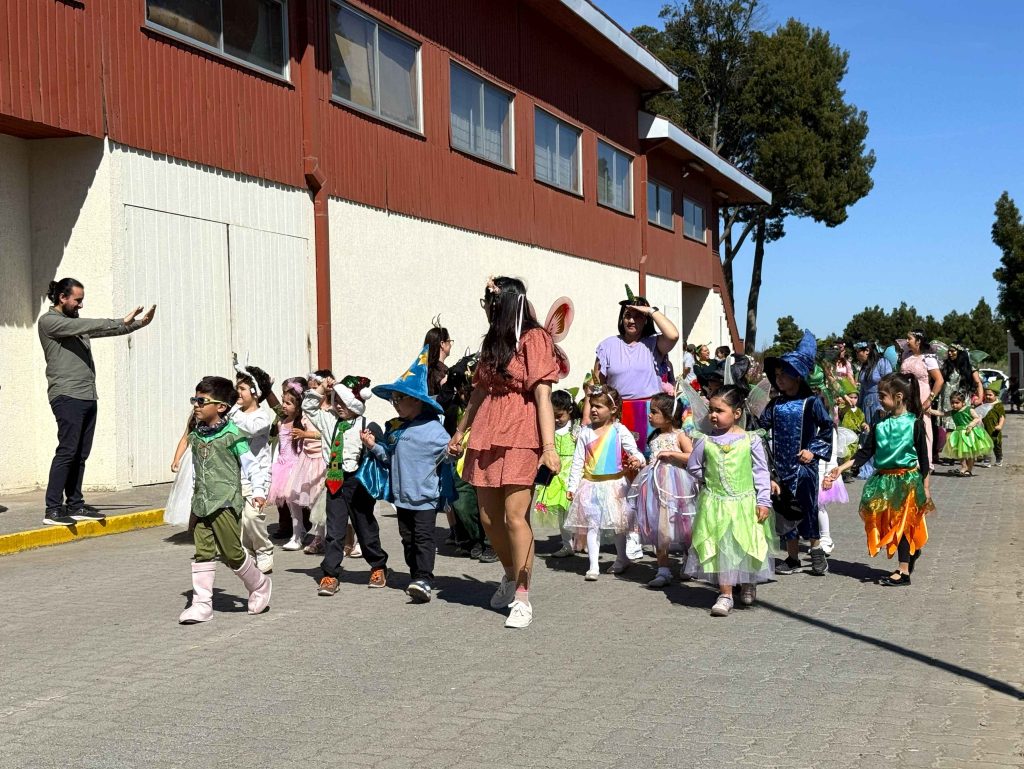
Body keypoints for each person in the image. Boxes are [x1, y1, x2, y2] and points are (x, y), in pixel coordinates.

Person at [450, 277, 561, 629]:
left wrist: (549, 448)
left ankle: (523, 596)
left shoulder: (535, 337)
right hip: (487, 431)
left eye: (490, 302)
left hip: (521, 431)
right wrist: (460, 431)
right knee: (488, 518)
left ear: (505, 304)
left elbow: (543, 396)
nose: (486, 308)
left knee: (515, 517)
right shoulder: (492, 341)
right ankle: (511, 574)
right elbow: (479, 392)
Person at [37, 277, 156, 525]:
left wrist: (138, 324)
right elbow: (93, 324)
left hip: (87, 395)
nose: (81, 305)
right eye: (77, 300)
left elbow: (104, 330)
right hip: (67, 395)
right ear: (62, 297)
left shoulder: (74, 324)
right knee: (67, 451)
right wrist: (120, 319)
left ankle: (75, 504)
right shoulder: (50, 322)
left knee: (80, 453)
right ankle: (53, 509)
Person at [178, 376, 271, 624]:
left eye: (202, 401)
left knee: (232, 554)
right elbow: (197, 468)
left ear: (221, 407)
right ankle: (202, 604)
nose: (196, 405)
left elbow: (251, 465)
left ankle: (259, 584)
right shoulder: (197, 435)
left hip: (225, 502)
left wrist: (259, 491)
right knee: (203, 552)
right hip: (202, 503)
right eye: (194, 400)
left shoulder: (233, 435)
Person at [826, 373, 933, 586]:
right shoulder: (880, 425)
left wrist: (926, 487)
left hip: (907, 480)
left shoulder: (914, 424)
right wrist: (841, 468)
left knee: (902, 524)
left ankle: (903, 571)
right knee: (890, 524)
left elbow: (923, 458)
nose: (879, 400)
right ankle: (911, 553)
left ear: (899, 397)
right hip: (884, 481)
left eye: (883, 396)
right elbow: (865, 452)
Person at [366, 348, 454, 604]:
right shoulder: (397, 429)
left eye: (399, 398)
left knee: (424, 539)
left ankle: (424, 578)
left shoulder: (434, 429)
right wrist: (374, 446)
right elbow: (389, 457)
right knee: (408, 540)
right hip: (402, 498)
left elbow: (448, 455)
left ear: (416, 401)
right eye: (393, 399)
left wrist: (454, 452)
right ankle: (416, 576)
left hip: (425, 498)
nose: (395, 403)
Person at [685, 385, 774, 616]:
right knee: (722, 548)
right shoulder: (705, 440)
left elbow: (761, 471)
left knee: (746, 545)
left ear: (736, 413)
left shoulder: (750, 440)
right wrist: (708, 478)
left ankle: (748, 582)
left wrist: (763, 501)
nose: (713, 415)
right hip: (716, 504)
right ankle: (725, 594)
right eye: (711, 410)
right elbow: (693, 466)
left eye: (720, 410)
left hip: (745, 503)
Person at [303, 375, 390, 595]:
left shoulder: (367, 425)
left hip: (357, 482)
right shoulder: (329, 420)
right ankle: (330, 574)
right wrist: (322, 388)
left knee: (365, 527)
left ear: (356, 403)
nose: (339, 406)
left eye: (344, 402)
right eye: (336, 401)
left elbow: (384, 454)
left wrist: (370, 444)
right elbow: (309, 407)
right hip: (334, 480)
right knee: (334, 531)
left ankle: (378, 566)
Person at [760, 330, 834, 577]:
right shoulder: (775, 404)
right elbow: (761, 428)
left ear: (798, 376)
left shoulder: (811, 402)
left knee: (807, 509)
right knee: (785, 512)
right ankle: (792, 558)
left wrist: (813, 450)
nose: (779, 379)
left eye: (784, 374)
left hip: (804, 469)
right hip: (780, 469)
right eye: (777, 375)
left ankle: (816, 551)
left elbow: (827, 428)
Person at [563, 385, 645, 580]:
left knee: (618, 525)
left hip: (615, 486)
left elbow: (636, 453)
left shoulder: (619, 430)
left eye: (599, 406)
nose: (593, 409)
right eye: (592, 405)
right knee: (593, 525)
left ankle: (622, 558)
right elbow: (577, 462)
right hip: (590, 485)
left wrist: (637, 460)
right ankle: (593, 566)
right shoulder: (585, 432)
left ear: (613, 409)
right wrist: (572, 486)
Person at [626, 392, 696, 588]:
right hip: (653, 486)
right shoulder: (654, 436)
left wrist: (672, 453)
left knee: (683, 524)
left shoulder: (679, 435)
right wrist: (639, 462)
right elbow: (651, 459)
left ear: (669, 415)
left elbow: (692, 456)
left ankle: (689, 560)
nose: (649, 415)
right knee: (658, 526)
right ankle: (663, 569)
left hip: (676, 486)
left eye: (654, 412)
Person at [231, 362, 275, 571]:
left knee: (253, 515)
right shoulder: (234, 413)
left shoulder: (261, 417)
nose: (237, 392)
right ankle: (247, 550)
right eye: (236, 388)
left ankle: (264, 550)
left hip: (258, 474)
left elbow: (249, 429)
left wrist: (231, 411)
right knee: (242, 518)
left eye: (242, 388)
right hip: (237, 473)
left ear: (255, 392)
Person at [534, 389, 580, 558]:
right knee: (561, 512)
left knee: (577, 510)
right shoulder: (549, 430)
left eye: (559, 415)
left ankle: (582, 541)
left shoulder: (576, 428)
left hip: (572, 473)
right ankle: (567, 544)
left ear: (570, 410)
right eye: (552, 415)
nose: (555, 419)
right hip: (555, 474)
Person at [899, 330, 944, 465]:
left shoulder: (928, 358)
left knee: (922, 427)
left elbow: (939, 380)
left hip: (922, 393)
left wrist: (929, 400)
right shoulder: (906, 355)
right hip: (906, 394)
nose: (907, 341)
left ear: (918, 341)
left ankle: (924, 462)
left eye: (910, 339)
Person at [937, 391, 993, 477]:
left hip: (969, 434)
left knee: (971, 454)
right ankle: (964, 466)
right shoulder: (953, 412)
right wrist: (930, 411)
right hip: (959, 434)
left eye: (957, 403)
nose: (954, 405)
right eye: (952, 403)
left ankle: (969, 469)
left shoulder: (969, 409)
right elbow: (942, 414)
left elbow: (977, 418)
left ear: (963, 403)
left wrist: (970, 425)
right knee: (960, 452)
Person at [980, 382, 1006, 467]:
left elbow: (1002, 417)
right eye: (986, 395)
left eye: (990, 395)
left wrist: (1000, 426)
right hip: (985, 429)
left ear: (996, 396)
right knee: (985, 444)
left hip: (995, 430)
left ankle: (999, 458)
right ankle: (987, 460)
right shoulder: (984, 405)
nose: (987, 396)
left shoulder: (998, 405)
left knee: (996, 445)